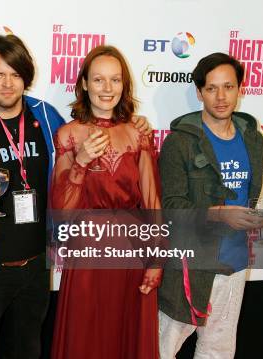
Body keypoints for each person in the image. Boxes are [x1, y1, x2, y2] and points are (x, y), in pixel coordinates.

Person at [0, 36, 152, 358]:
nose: (7, 84)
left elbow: (78, 160)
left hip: (36, 265)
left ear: (26, 78)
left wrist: (132, 123)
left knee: (29, 348)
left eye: (15, 75)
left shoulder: (47, 118)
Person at [50, 45, 162, 359]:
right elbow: (61, 212)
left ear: (124, 85)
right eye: (98, 80)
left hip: (132, 249)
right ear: (84, 84)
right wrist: (81, 162)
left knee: (125, 338)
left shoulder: (137, 134)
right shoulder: (68, 136)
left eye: (115, 80)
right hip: (87, 251)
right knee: (86, 337)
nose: (107, 88)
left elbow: (152, 200)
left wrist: (155, 258)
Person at [157, 52, 263, 358]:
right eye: (212, 88)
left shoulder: (252, 138)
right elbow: (171, 207)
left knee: (217, 352)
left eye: (228, 87)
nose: (221, 97)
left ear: (240, 89)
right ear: (199, 93)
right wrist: (218, 214)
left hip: (234, 263)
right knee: (161, 349)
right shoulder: (180, 142)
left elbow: (249, 194)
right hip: (190, 265)